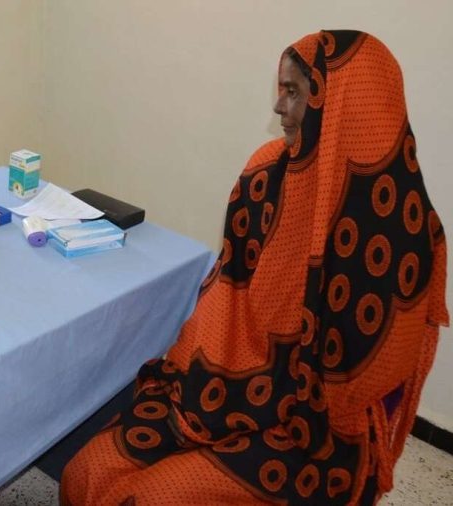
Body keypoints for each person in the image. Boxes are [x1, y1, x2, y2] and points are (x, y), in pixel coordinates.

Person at [60, 31, 447, 505]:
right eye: (280, 90)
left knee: (150, 498)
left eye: (293, 92)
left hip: (314, 432)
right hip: (230, 382)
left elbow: (369, 379)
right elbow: (228, 295)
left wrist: (281, 396)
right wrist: (215, 383)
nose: (279, 108)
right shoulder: (265, 174)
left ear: (342, 106)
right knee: (85, 471)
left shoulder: (398, 228)